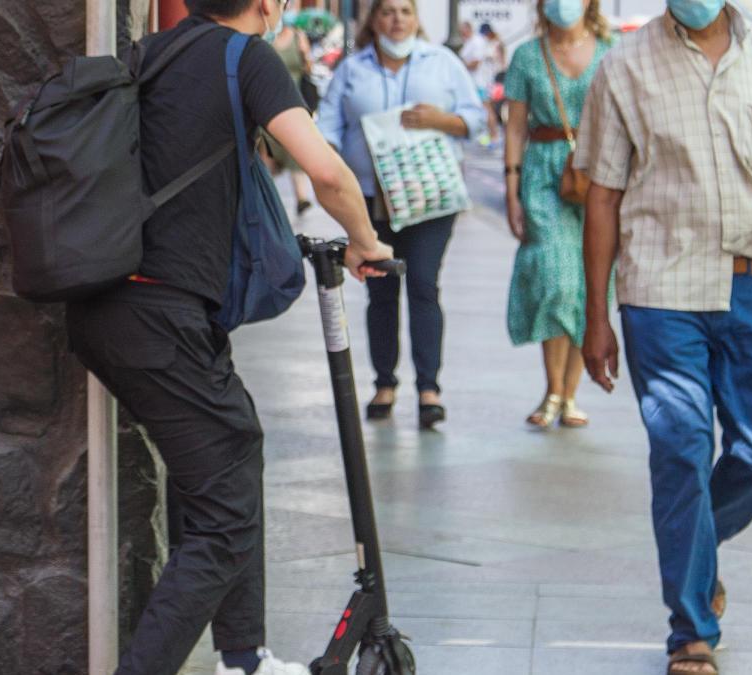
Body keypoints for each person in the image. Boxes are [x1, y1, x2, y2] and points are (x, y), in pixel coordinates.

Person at [64, 1, 394, 674]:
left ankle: (243, 658)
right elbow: (325, 171)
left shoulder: (155, 52)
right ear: (266, 5)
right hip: (160, 311)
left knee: (231, 454)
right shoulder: (248, 57)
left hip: (111, 303)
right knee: (224, 515)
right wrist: (366, 241)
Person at [575, 0, 752, 670]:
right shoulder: (623, 66)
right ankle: (690, 629)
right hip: (660, 291)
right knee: (679, 447)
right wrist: (595, 314)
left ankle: (698, 552)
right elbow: (601, 194)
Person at [317, 0, 485, 429]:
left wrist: (442, 119)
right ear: (374, 19)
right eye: (388, 11)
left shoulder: (442, 63)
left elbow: (476, 119)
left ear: (417, 18)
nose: (397, 19)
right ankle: (384, 382)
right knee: (382, 290)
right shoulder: (354, 70)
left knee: (424, 286)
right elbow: (327, 129)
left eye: (405, 11)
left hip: (429, 202)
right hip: (373, 201)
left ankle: (429, 388)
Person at [504, 0, 614, 428]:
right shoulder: (527, 56)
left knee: (590, 285)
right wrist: (511, 190)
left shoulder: (612, 49)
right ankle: (553, 390)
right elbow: (515, 126)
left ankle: (570, 395)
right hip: (542, 175)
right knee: (556, 280)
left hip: (600, 175)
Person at [259, 11, 316, 215]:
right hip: (268, 103)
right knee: (268, 153)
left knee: (294, 151)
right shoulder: (266, 39)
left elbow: (308, 68)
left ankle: (301, 198)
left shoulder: (298, 36)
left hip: (294, 102)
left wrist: (304, 52)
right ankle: (266, 199)